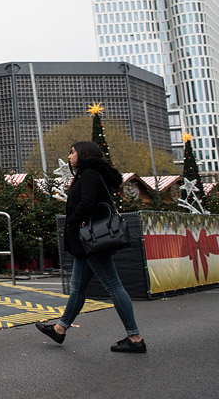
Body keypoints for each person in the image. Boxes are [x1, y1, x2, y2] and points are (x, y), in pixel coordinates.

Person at [36, 141, 146, 352]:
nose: (69, 157)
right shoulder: (92, 174)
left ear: (83, 154)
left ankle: (135, 338)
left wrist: (72, 222)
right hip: (86, 242)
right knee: (78, 288)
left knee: (114, 285)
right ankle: (60, 329)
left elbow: (87, 203)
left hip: (92, 240)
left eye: (72, 152)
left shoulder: (90, 174)